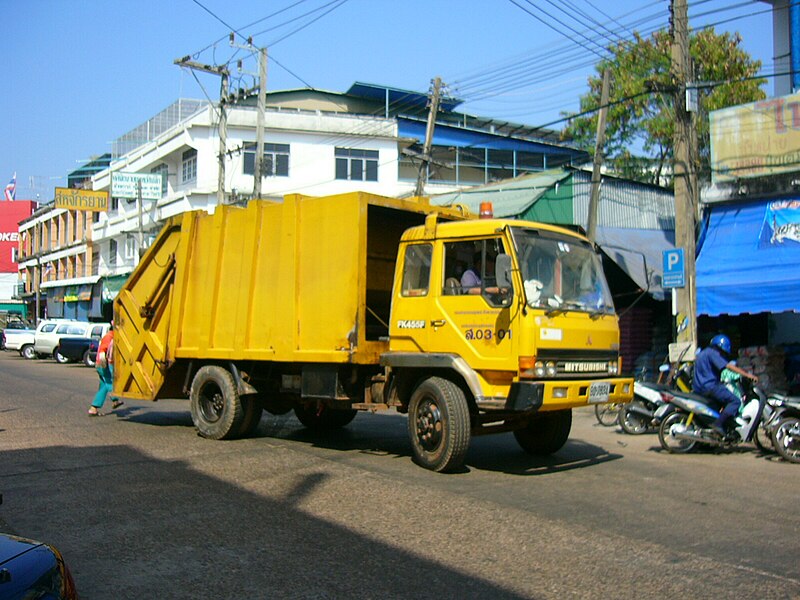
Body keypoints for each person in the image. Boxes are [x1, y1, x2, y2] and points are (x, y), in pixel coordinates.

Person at [692, 334, 757, 436]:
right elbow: (728, 366)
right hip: (710, 387)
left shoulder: (703, 353)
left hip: (699, 388)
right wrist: (747, 374)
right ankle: (718, 424)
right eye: (722, 352)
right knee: (735, 401)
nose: (722, 354)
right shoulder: (713, 353)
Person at [88, 324, 123, 416]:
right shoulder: (109, 337)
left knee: (103, 386)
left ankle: (94, 408)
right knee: (109, 382)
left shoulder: (110, 336)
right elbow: (103, 350)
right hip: (103, 364)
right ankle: (115, 400)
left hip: (101, 364)